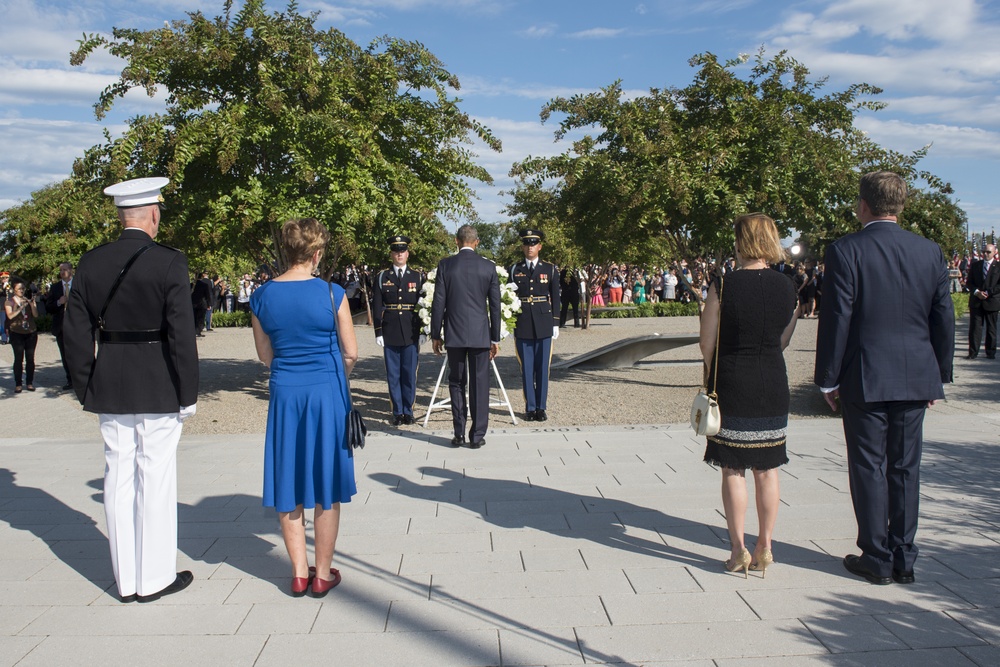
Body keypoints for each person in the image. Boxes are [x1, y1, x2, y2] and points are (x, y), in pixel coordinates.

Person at [63, 176, 199, 603]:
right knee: (155, 477)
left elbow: (75, 332)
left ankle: (126, 580)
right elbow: (181, 333)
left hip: (111, 381)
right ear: (154, 214)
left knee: (118, 475)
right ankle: (154, 577)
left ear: (122, 215)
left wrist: (86, 384)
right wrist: (188, 392)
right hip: (158, 380)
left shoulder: (91, 261)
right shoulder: (169, 261)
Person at [815, 171, 954, 586]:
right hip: (914, 373)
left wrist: (827, 378)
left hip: (865, 373)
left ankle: (875, 555)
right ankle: (903, 554)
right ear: (901, 205)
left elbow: (837, 316)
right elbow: (942, 316)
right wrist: (939, 373)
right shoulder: (930, 251)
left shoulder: (846, 250)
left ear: (863, 206)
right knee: (906, 466)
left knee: (868, 465)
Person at [251, 218, 357, 597]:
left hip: (285, 393)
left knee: (288, 477)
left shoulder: (261, 296)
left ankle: (298, 572)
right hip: (326, 392)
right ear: (316, 253)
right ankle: (323, 572)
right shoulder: (333, 293)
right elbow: (351, 352)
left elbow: (265, 355)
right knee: (326, 483)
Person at [699, 213, 799, 578]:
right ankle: (766, 546)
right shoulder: (788, 286)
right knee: (768, 470)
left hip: (734, 381)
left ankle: (737, 548)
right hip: (772, 381)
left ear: (740, 241)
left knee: (733, 468)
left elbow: (706, 342)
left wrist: (709, 374)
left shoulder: (723, 286)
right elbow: (783, 339)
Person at [430, 224, 501, 448]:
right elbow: (496, 305)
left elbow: (438, 302)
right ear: (477, 242)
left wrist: (435, 333)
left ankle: (459, 432)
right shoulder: (488, 267)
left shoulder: (446, 265)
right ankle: (477, 435)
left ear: (456, 241)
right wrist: (495, 337)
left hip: (454, 332)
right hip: (480, 333)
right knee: (480, 383)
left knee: (457, 382)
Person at [372, 235, 424, 425]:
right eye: (396, 251)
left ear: (407, 254)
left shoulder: (417, 276)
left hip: (411, 329)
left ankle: (408, 410)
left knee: (409, 372)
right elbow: (377, 305)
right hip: (390, 330)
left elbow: (423, 305)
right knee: (393, 373)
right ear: (391, 254)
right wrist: (378, 331)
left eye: (402, 251)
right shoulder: (382, 277)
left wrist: (424, 331)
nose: (399, 254)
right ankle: (397, 411)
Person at [509, 229, 560, 422]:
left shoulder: (550, 269)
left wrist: (556, 322)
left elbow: (555, 296)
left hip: (544, 322)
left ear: (539, 246)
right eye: (527, 244)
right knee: (527, 368)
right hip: (522, 323)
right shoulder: (515, 269)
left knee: (542, 368)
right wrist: (508, 323)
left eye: (533, 244)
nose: (530, 247)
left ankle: (541, 407)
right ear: (522, 246)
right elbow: (509, 297)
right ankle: (530, 407)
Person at [42, 262, 75, 389]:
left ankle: (82, 379)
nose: (63, 272)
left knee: (77, 353)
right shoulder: (55, 287)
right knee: (65, 355)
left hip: (76, 326)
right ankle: (70, 380)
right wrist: (58, 302)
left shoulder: (78, 285)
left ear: (71, 271)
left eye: (65, 269)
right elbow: (48, 307)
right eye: (61, 270)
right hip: (61, 326)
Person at [5, 276, 39, 393]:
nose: (22, 290)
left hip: (30, 332)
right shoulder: (9, 301)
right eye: (19, 288)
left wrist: (32, 304)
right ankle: (18, 383)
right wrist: (21, 307)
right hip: (17, 333)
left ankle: (29, 382)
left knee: (30, 358)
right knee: (18, 358)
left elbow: (35, 315)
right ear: (14, 289)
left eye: (23, 288)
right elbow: (10, 316)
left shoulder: (28, 299)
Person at [966, 244, 1000, 359]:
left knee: (991, 328)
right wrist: (977, 292)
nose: (985, 254)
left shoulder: (998, 266)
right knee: (975, 328)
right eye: (984, 251)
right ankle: (973, 352)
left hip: (992, 302)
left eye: (988, 252)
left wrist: (988, 293)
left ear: (995, 252)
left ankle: (990, 352)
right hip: (976, 301)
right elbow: (969, 282)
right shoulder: (976, 265)